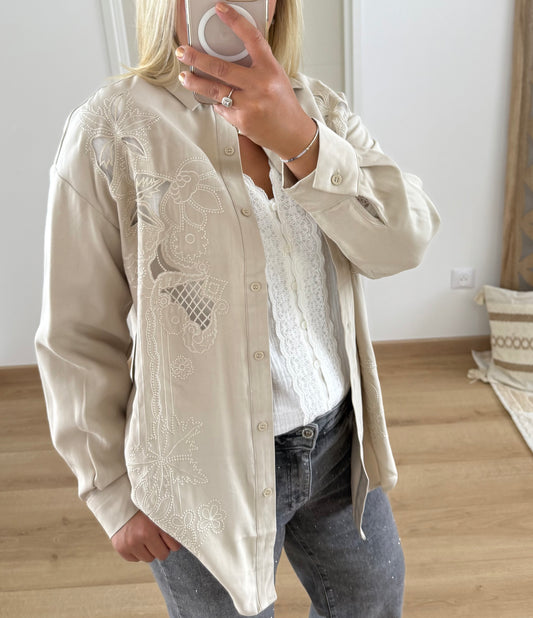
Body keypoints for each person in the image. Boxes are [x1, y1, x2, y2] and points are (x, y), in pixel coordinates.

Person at [34, 0, 440, 616]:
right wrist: (110, 491)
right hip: (199, 475)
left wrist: (303, 143)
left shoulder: (318, 108)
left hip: (337, 443)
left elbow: (404, 242)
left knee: (374, 601)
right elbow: (76, 335)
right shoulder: (109, 130)